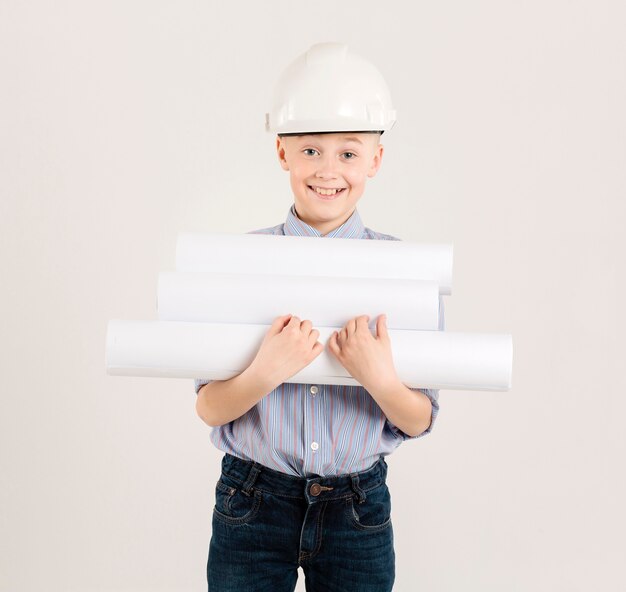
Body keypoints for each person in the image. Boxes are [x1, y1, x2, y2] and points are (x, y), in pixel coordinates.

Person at [194, 42, 445, 592]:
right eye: (310, 151)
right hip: (252, 501)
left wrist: (377, 377)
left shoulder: (405, 272)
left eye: (349, 154)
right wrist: (265, 370)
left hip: (357, 509)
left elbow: (419, 418)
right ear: (282, 152)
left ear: (376, 160)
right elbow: (209, 406)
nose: (328, 170)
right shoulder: (241, 265)